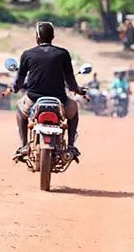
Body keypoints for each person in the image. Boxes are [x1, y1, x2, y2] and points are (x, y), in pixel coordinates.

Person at [5, 22, 87, 160]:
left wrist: (14, 88)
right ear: (53, 37)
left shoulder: (27, 54)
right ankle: (71, 145)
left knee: (20, 111)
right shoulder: (63, 54)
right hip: (59, 100)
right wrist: (78, 90)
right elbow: (71, 81)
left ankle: (25, 145)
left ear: (37, 37)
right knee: (74, 111)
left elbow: (19, 81)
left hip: (33, 100)